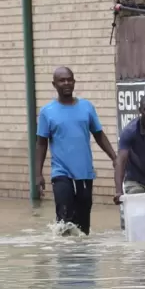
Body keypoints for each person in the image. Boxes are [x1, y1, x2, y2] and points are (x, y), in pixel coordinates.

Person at [36, 67, 117, 235]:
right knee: (64, 221)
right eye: (62, 80)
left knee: (83, 227)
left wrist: (114, 157)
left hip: (85, 173)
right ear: (54, 84)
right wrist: (38, 174)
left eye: (69, 79)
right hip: (61, 172)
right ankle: (64, 257)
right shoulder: (47, 112)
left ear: (74, 82)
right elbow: (41, 144)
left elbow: (99, 135)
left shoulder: (87, 107)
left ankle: (82, 259)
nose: (66, 83)